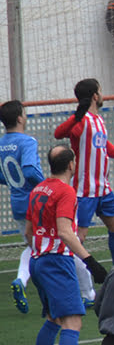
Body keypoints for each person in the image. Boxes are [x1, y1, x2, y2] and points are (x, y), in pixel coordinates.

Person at [25, 145, 109, 345]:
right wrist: (90, 261)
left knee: (53, 318)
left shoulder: (39, 189)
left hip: (38, 261)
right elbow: (64, 231)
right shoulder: (66, 192)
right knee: (73, 320)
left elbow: (29, 230)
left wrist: (39, 252)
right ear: (71, 164)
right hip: (56, 263)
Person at [53, 79, 114, 305]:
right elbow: (58, 133)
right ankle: (81, 289)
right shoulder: (82, 121)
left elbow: (103, 146)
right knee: (78, 238)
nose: (103, 95)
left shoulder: (98, 120)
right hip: (84, 192)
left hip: (103, 188)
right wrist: (77, 114)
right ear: (95, 95)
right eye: (101, 91)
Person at [1, 100, 45, 313]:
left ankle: (21, 279)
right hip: (35, 202)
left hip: (17, 203)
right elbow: (29, 170)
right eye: (24, 114)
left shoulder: (1, 143)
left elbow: (3, 175)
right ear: (20, 118)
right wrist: (47, 185)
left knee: (33, 246)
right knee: (58, 241)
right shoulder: (27, 141)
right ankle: (87, 292)